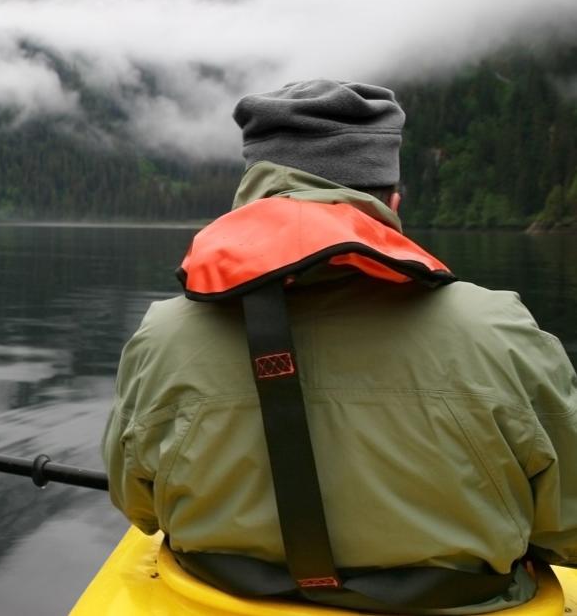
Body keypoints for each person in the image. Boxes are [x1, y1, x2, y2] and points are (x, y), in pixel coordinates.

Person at [102, 80, 577, 613]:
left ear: (251, 200)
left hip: (216, 596)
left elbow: (139, 506)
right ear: (392, 202)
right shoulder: (498, 330)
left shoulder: (161, 335)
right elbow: (570, 527)